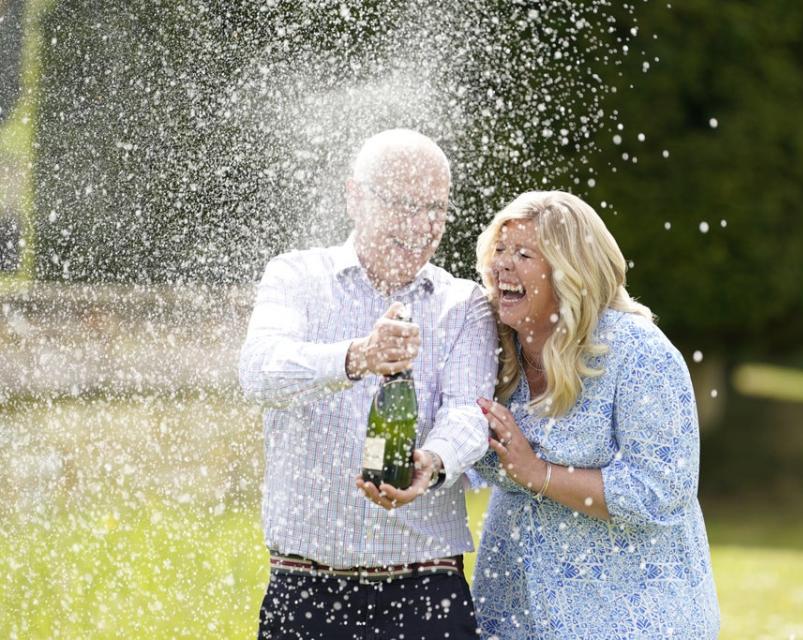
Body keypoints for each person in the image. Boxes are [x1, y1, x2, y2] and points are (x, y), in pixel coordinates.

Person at [238, 128, 498, 639]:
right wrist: (357, 357)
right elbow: (260, 371)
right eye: (403, 204)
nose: (422, 226)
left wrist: (435, 461)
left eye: (436, 209)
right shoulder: (296, 277)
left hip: (426, 589)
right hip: (306, 588)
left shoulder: (464, 303)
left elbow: (470, 411)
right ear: (354, 197)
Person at [469, 191, 720, 639]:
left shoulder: (638, 353)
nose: (503, 265)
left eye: (524, 254)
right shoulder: (490, 351)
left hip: (628, 621)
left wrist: (538, 473)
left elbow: (659, 491)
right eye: (499, 251)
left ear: (570, 272)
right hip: (514, 621)